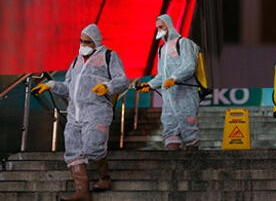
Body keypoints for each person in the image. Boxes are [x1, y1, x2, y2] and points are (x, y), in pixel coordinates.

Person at [32, 24, 128, 200]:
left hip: (97, 111)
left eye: (87, 42)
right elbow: (69, 87)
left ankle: (104, 177)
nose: (83, 44)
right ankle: (82, 192)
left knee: (93, 146)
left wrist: (107, 86)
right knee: (74, 153)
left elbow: (122, 81)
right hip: (74, 114)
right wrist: (51, 85)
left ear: (96, 42)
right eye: (81, 41)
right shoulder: (76, 61)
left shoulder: (109, 56)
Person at [137, 14, 200, 150]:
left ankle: (194, 166)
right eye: (157, 28)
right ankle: (172, 166)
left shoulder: (183, 43)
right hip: (169, 98)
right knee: (170, 132)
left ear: (169, 26)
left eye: (161, 27)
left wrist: (174, 77)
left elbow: (189, 65)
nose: (159, 30)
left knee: (189, 131)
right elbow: (162, 75)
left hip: (185, 95)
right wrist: (150, 84)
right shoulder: (162, 49)